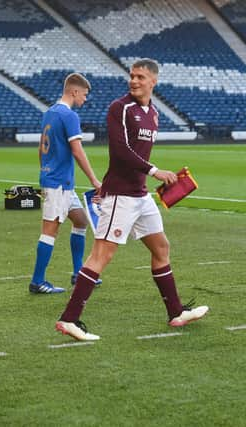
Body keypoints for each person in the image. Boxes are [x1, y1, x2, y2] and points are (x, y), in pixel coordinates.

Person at [55, 59, 208, 341]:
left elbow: (138, 154)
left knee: (161, 247)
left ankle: (175, 312)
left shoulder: (154, 114)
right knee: (102, 254)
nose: (134, 81)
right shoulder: (119, 108)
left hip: (140, 195)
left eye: (140, 77)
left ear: (153, 81)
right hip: (120, 196)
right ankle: (69, 320)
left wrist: (160, 176)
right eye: (132, 76)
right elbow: (121, 151)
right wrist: (155, 171)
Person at [29, 73, 102, 294]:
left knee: (80, 221)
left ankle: (79, 272)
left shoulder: (49, 113)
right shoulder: (69, 116)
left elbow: (41, 148)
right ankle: (37, 281)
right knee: (49, 231)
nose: (85, 99)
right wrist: (94, 180)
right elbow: (77, 151)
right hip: (59, 183)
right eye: (84, 95)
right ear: (74, 92)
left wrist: (43, 175)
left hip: (59, 182)